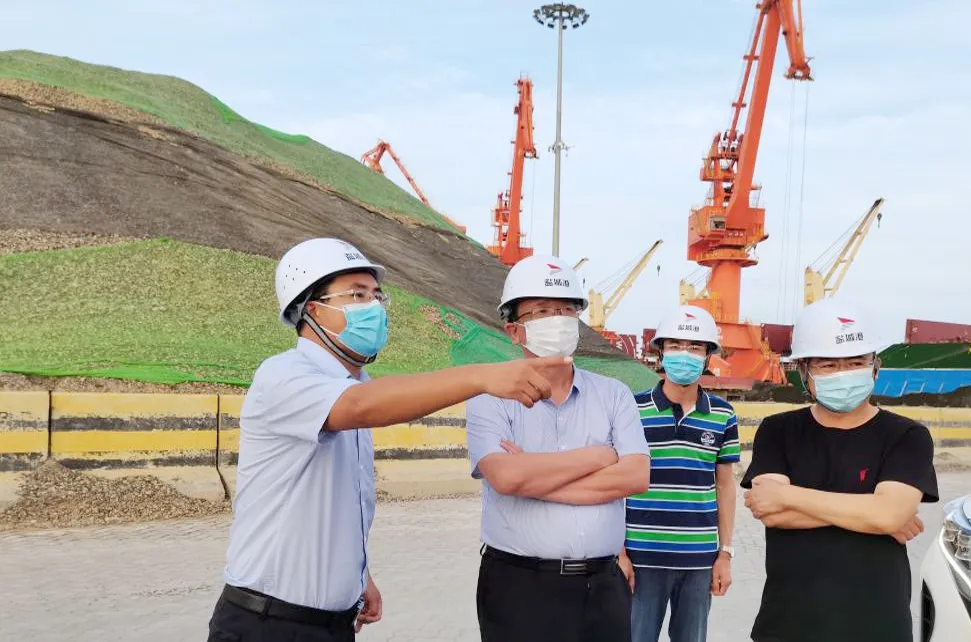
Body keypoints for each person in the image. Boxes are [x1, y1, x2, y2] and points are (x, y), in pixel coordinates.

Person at [206, 238, 570, 642]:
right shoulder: (284, 376)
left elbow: (333, 504)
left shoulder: (356, 385)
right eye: (357, 295)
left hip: (331, 623)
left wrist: (356, 576)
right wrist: (482, 376)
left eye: (377, 295)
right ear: (312, 308)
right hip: (266, 624)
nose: (374, 307)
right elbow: (360, 406)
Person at [465, 254, 652, 642]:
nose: (559, 319)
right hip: (520, 587)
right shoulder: (490, 398)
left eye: (567, 309)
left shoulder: (614, 395)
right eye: (543, 311)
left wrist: (533, 477)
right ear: (514, 331)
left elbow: (636, 476)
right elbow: (506, 477)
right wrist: (597, 457)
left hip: (603, 586)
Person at [740, 297, 939, 642]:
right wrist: (873, 514)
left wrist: (787, 495)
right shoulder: (777, 431)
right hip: (787, 626)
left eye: (855, 362)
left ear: (875, 367)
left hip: (878, 627)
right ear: (804, 372)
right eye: (828, 365)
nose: (843, 373)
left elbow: (888, 515)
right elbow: (770, 511)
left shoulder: (907, 436)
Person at [621, 305, 741, 642]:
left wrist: (725, 553)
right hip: (642, 557)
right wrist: (619, 552)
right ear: (660, 352)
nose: (684, 354)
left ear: (707, 356)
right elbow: (616, 483)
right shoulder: (632, 409)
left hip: (699, 560)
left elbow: (725, 486)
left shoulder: (723, 414)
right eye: (674, 345)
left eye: (695, 347)